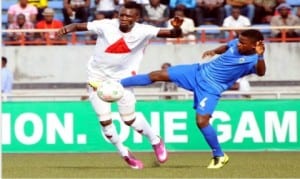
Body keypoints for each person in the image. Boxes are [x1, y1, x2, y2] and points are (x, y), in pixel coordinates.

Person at [56, 1, 183, 169]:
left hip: (122, 81)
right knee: (105, 121)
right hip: (97, 79)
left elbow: (173, 35)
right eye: (121, 15)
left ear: (137, 18)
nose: (123, 18)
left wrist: (176, 28)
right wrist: (66, 29)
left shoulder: (144, 30)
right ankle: (124, 152)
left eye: (128, 16)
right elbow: (79, 26)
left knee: (129, 119)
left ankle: (156, 140)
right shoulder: (106, 25)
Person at [120, 29, 266, 169]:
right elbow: (227, 46)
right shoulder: (236, 43)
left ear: (254, 45)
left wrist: (260, 56)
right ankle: (117, 83)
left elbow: (261, 73)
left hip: (211, 88)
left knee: (201, 122)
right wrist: (214, 51)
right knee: (155, 75)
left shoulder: (253, 60)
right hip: (197, 72)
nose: (238, 44)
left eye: (243, 43)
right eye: (239, 41)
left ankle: (219, 156)